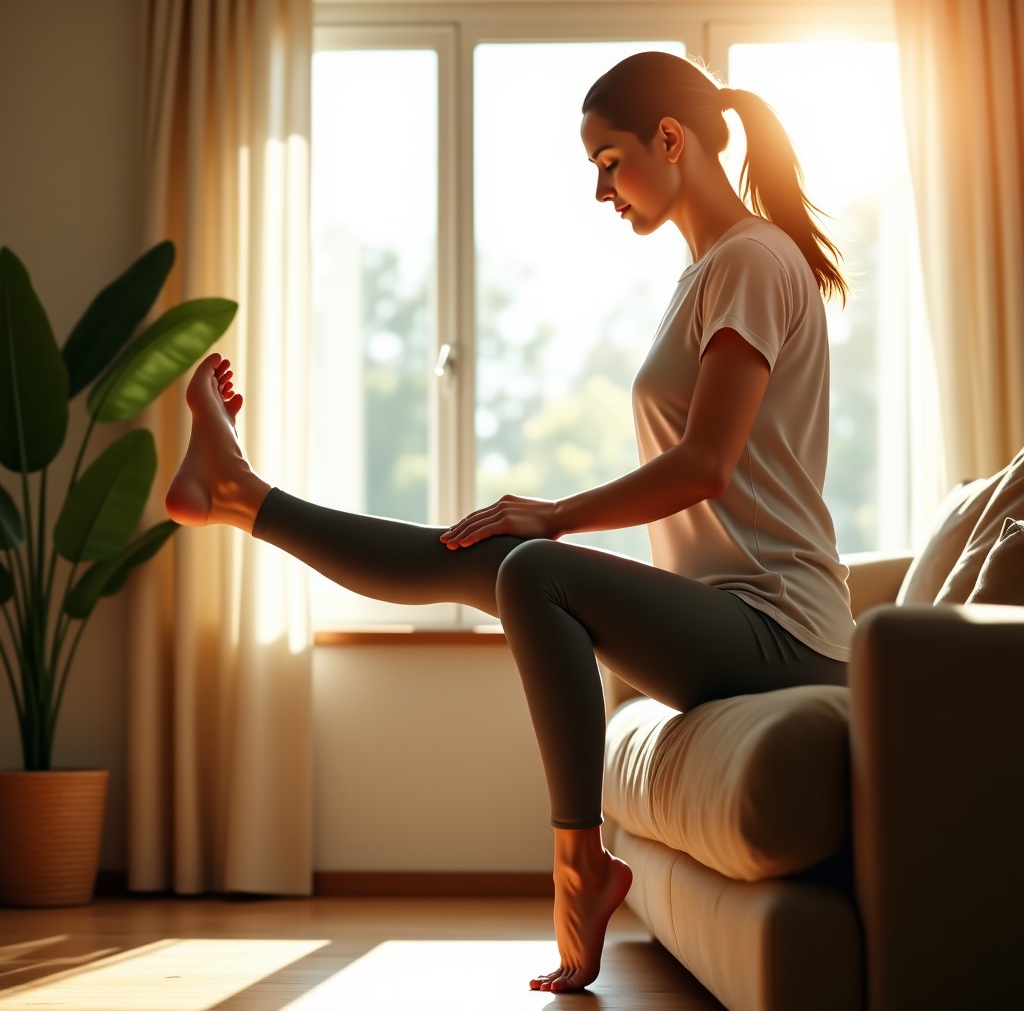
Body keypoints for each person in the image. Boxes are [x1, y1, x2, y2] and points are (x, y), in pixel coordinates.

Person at [166, 50, 855, 994]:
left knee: (531, 564)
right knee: (487, 554)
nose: (601, 190)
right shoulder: (712, 271)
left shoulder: (750, 259)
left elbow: (708, 464)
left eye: (609, 162)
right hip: (735, 619)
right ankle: (239, 496)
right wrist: (540, 525)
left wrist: (556, 517)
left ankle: (579, 869)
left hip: (785, 629)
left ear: (670, 139)